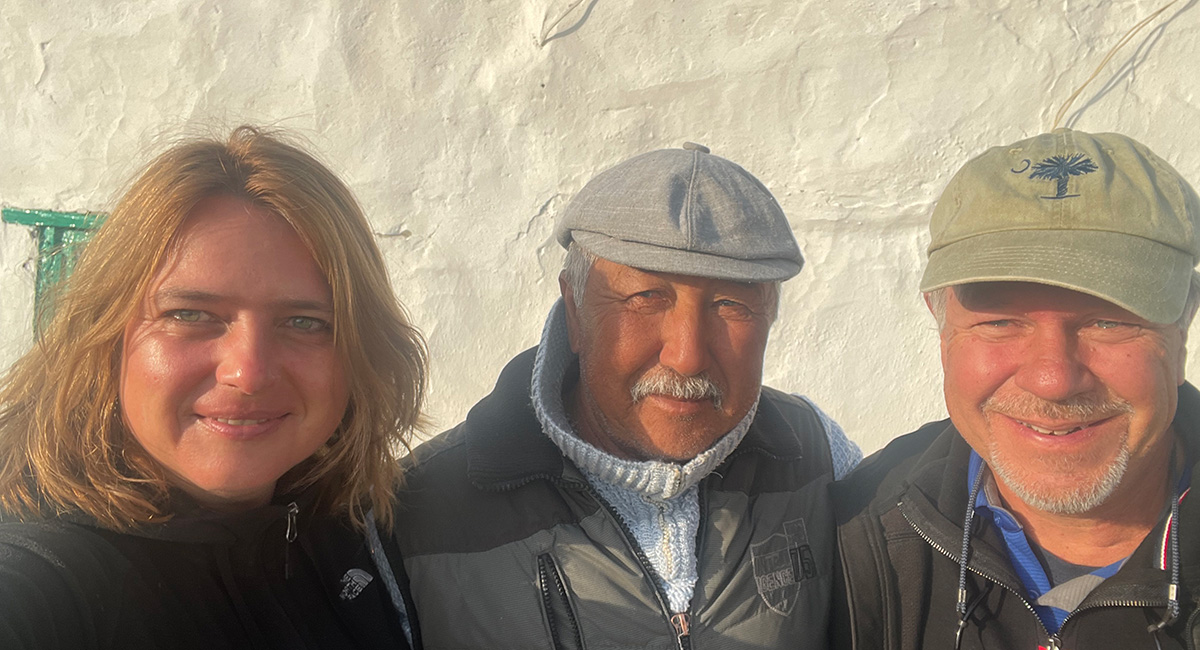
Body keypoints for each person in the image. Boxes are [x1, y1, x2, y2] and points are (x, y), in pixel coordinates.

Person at [392, 142, 860, 649]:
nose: (687, 356)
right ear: (575, 309)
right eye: (646, 298)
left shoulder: (817, 457)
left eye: (731, 304)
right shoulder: (421, 511)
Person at [0, 126, 427, 649]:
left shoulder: (356, 530)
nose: (248, 373)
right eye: (190, 314)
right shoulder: (50, 579)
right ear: (106, 335)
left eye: (305, 322)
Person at [832, 129, 1200, 649]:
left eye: (1107, 321)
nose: (1052, 380)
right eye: (1001, 322)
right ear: (940, 324)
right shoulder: (857, 534)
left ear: (1183, 325)